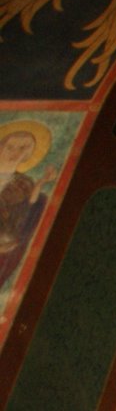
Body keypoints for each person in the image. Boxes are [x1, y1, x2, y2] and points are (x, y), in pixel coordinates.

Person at [0, 120, 58, 293]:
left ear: (29, 153)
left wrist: (41, 182)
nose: (16, 153)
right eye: (10, 147)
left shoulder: (24, 183)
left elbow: (29, 207)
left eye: (23, 148)